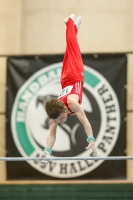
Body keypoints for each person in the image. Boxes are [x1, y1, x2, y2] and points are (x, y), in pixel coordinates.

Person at [40, 14, 97, 165]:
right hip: (65, 81)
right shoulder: (55, 114)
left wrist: (91, 140)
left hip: (74, 75)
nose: (60, 121)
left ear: (65, 108)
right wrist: (47, 151)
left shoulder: (72, 102)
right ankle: (74, 28)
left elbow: (85, 121)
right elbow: (52, 135)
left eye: (60, 118)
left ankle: (69, 22)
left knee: (73, 47)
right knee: (70, 50)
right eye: (58, 119)